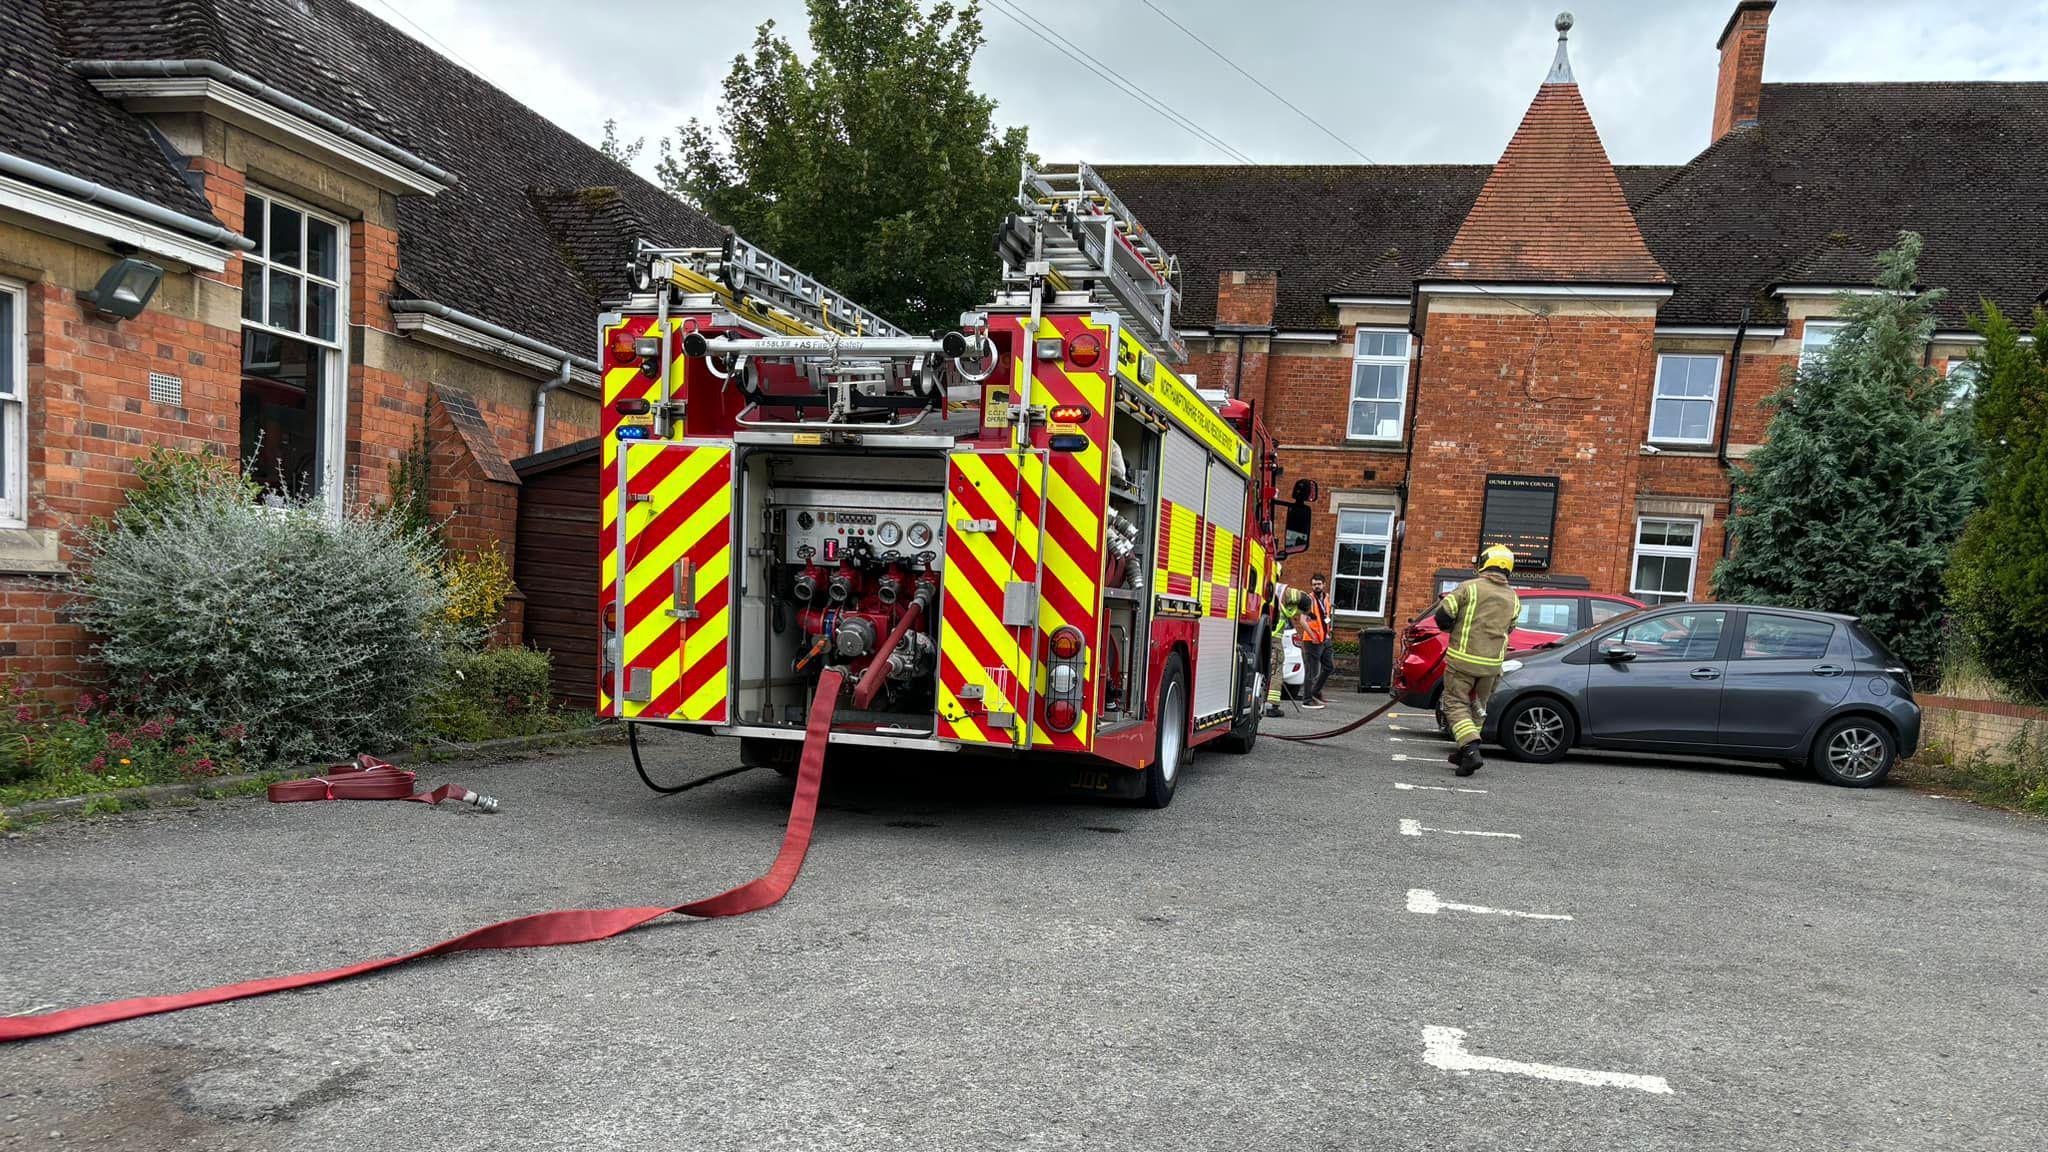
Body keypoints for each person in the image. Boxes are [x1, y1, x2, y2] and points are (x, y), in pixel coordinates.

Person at [1434, 545, 1521, 777]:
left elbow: (1442, 615)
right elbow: (1510, 627)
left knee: (1455, 704)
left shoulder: (1468, 588)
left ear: (1485, 562)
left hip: (1462, 661)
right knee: (1478, 709)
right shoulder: (1513, 597)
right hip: (1492, 666)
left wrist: (1453, 627)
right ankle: (1464, 755)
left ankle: (1471, 751)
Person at [1265, 585, 1309, 717]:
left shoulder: (1274, 593)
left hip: (1265, 637)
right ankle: (1272, 706)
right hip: (1275, 640)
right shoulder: (1285, 595)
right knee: (1275, 672)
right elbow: (1299, 597)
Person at [1298, 574, 1334, 709]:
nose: (1316, 587)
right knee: (1311, 672)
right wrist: (1312, 635)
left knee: (1329, 667)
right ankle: (1307, 700)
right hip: (1312, 640)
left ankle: (1315, 692)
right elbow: (1302, 620)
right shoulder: (1308, 599)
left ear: (1324, 584)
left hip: (1324, 639)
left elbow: (1325, 617)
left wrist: (1327, 634)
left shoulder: (1326, 598)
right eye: (1314, 584)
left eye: (1318, 584)